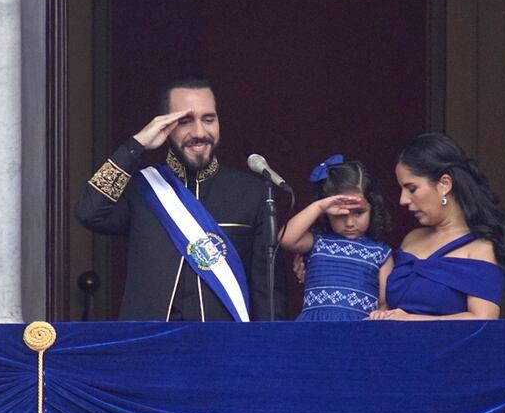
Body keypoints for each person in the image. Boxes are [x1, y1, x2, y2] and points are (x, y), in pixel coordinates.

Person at [75, 76, 286, 321]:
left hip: (225, 348)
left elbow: (268, 293)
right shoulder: (142, 189)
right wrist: (136, 145)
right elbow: (89, 212)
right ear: (164, 126)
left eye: (209, 119)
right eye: (184, 121)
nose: (199, 132)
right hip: (152, 347)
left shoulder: (251, 192)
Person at [368, 133, 505, 320]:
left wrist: (413, 320)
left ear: (444, 184)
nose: (403, 200)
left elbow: (483, 320)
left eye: (412, 189)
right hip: (395, 347)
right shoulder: (412, 239)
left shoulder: (481, 249)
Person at [280, 155, 393, 321]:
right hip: (312, 328)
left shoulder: (381, 252)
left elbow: (385, 303)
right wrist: (319, 206)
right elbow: (286, 238)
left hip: (356, 329)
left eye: (358, 213)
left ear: (372, 208)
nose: (349, 223)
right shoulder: (318, 242)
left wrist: (379, 316)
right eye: (340, 215)